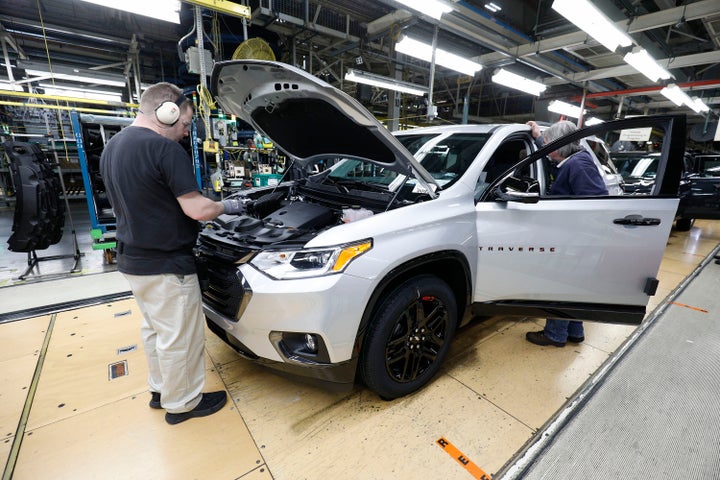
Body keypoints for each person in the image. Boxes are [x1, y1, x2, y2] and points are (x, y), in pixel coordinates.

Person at [100, 82, 243, 424]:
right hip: (166, 263)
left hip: (133, 260)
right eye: (185, 123)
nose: (185, 132)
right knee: (181, 337)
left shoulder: (114, 146)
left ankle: (161, 390)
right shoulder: (164, 150)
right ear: (168, 112)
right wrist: (230, 205)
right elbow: (198, 210)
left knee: (155, 329)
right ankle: (183, 404)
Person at [524, 120, 609, 348]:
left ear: (561, 145)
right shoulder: (571, 161)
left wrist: (574, 235)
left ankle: (555, 334)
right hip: (576, 237)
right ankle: (574, 331)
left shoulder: (579, 165)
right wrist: (538, 136)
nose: (546, 144)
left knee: (560, 284)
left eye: (549, 141)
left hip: (577, 239)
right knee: (572, 286)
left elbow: (596, 205)